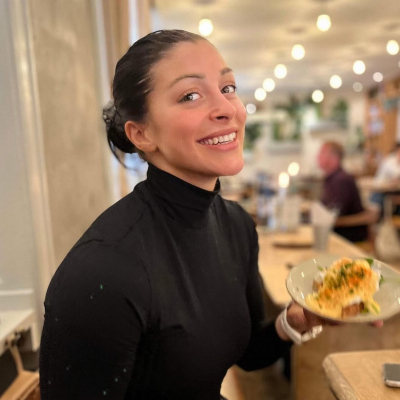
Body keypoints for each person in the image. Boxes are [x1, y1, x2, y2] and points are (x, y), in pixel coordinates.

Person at [39, 30, 327, 400]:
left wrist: (295, 321)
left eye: (227, 87)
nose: (227, 108)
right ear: (141, 134)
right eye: (190, 95)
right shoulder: (103, 269)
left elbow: (248, 352)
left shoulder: (237, 226)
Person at [317, 141, 368, 242]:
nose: (318, 156)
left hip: (347, 234)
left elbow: (335, 212)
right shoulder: (332, 178)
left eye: (322, 153)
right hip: (337, 230)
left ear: (335, 158)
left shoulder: (342, 180)